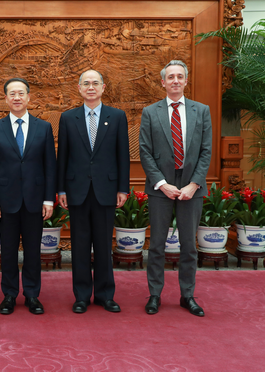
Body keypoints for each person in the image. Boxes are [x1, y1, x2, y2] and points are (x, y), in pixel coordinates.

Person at [139, 60, 212, 317]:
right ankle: (154, 295)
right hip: (161, 187)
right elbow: (145, 152)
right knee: (157, 245)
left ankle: (187, 296)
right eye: (170, 77)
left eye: (180, 76)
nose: (175, 81)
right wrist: (162, 184)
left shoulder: (201, 110)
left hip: (192, 186)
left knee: (189, 246)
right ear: (163, 82)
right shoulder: (150, 112)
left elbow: (206, 151)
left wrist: (194, 184)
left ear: (186, 81)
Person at [57, 70, 130, 314]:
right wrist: (61, 189)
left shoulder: (117, 116)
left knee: (103, 245)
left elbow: (123, 155)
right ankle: (81, 296)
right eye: (86, 83)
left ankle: (104, 295)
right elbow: (62, 156)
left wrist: (122, 188)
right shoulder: (68, 118)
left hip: (106, 190)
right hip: (76, 190)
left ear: (103, 87)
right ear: (79, 88)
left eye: (95, 83)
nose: (91, 87)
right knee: (79, 246)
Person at [0, 78, 56, 315]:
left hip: (35, 200)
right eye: (12, 94)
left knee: (33, 251)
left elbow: (50, 166)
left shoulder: (43, 127)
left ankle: (32, 295)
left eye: (21, 93)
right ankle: (9, 294)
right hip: (6, 201)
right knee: (8, 251)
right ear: (6, 99)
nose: (17, 98)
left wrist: (49, 199)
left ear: (28, 97)